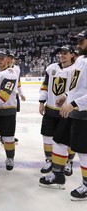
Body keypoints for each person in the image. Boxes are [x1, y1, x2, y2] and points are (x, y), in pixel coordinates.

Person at [40, 30, 87, 201]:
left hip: (84, 112)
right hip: (73, 109)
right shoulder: (81, 60)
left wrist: (74, 103)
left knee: (84, 151)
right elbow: (77, 87)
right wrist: (67, 95)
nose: (78, 44)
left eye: (81, 41)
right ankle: (58, 175)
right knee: (58, 141)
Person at [38, 45, 76, 177]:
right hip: (50, 110)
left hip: (68, 111)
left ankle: (69, 162)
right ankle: (49, 160)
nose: (62, 55)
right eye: (61, 53)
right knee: (47, 137)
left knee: (68, 139)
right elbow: (45, 86)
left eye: (65, 53)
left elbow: (78, 89)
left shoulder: (76, 69)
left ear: (72, 54)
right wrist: (42, 102)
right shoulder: (51, 68)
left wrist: (66, 96)